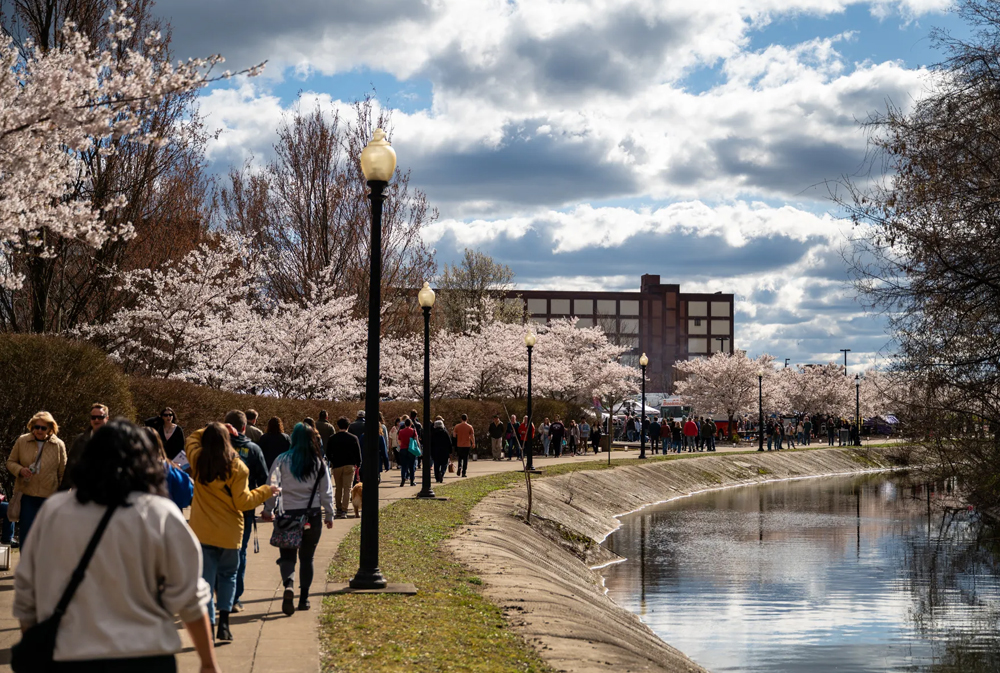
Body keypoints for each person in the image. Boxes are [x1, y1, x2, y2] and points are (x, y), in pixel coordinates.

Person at [13, 419, 219, 673]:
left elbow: (26, 589)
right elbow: (189, 594)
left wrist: (33, 643)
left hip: (69, 653)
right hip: (145, 655)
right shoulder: (158, 513)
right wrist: (208, 663)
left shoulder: (55, 511)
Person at [186, 422, 278, 641]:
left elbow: (190, 439)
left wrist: (211, 426)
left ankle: (208, 622)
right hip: (230, 532)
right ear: (228, 439)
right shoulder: (237, 467)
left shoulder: (198, 460)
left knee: (205, 580)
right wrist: (266, 490)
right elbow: (243, 502)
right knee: (228, 576)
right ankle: (224, 622)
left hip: (203, 530)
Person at [261, 423, 334, 616]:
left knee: (287, 557)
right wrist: (329, 514)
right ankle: (304, 599)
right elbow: (326, 491)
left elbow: (272, 487)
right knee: (307, 557)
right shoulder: (318, 462)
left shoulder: (282, 460)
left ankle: (289, 585)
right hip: (312, 515)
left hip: (287, 515)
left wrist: (268, 510)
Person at [224, 410, 269, 614]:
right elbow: (264, 480)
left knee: (217, 551)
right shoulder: (253, 449)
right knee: (240, 552)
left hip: (217, 507)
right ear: (244, 427)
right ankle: (234, 597)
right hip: (245, 507)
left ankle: (220, 593)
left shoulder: (214, 449)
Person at [7, 411, 67, 545]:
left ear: (51, 428)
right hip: (27, 495)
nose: (39, 430)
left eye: (43, 428)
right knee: (26, 536)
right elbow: (10, 462)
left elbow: (63, 473)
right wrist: (20, 470)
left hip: (49, 498)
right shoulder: (22, 440)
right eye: (36, 427)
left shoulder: (59, 445)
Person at [60, 403, 109, 490]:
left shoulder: (115, 441)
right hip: (81, 493)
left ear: (107, 418)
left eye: (100, 417)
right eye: (93, 417)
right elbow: (70, 468)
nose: (96, 420)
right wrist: (63, 491)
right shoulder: (80, 440)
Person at [145, 428, 194, 510]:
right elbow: (186, 495)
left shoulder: (129, 470)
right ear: (159, 444)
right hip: (168, 515)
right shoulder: (170, 468)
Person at [325, 417, 361, 519]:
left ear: (338, 426)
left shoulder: (332, 438)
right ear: (348, 426)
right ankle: (345, 510)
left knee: (338, 488)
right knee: (347, 488)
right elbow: (358, 453)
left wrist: (333, 461)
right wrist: (358, 464)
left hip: (337, 466)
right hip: (349, 465)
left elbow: (328, 453)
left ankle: (338, 509)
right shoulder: (353, 438)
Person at [397, 417, 419, 486]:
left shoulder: (401, 431)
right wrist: (418, 447)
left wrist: (401, 445)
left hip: (403, 449)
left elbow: (399, 441)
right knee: (411, 466)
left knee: (404, 466)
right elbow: (416, 440)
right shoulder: (413, 431)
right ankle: (412, 481)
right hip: (411, 449)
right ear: (410, 424)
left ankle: (403, 479)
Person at [431, 417, 452, 482]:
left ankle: (437, 477)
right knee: (444, 464)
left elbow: (431, 443)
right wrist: (450, 451)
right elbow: (449, 442)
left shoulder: (433, 433)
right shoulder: (445, 432)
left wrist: (431, 452)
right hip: (444, 451)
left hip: (435, 451)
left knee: (436, 465)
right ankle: (442, 473)